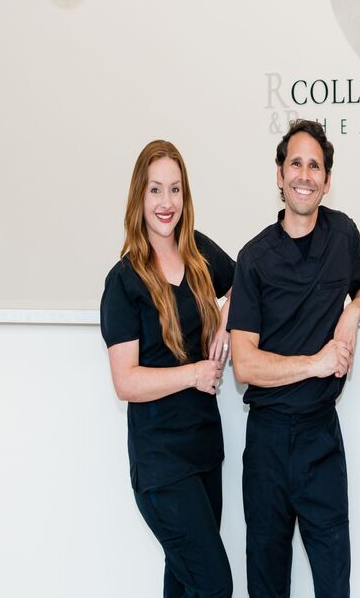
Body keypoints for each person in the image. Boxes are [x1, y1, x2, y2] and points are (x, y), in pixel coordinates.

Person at [227, 119, 360, 598]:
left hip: (321, 439)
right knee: (267, 586)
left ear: (327, 180)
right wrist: (317, 362)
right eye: (295, 163)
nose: (304, 175)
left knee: (335, 585)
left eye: (315, 166)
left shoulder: (342, 234)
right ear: (279, 175)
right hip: (268, 444)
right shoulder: (254, 258)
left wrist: (353, 312)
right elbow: (244, 365)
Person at [100, 140, 234, 598]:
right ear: (139, 196)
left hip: (205, 451)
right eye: (155, 189)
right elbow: (126, 381)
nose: (166, 202)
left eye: (175, 189)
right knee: (215, 585)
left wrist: (226, 324)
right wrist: (194, 374)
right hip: (161, 466)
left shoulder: (198, 253)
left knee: (184, 582)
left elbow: (246, 282)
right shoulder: (123, 282)